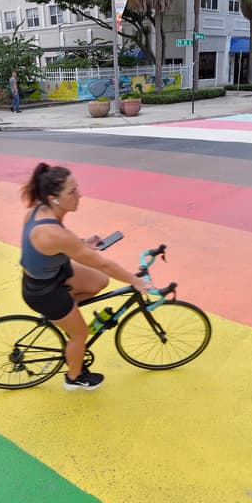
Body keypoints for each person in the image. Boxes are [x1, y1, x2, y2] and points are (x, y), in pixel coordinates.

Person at [20, 162, 155, 390]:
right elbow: (102, 263)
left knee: (98, 281)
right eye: (72, 192)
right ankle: (74, 378)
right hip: (44, 292)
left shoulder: (40, 211)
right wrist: (136, 280)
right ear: (55, 198)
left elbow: (55, 244)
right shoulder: (52, 231)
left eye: (77, 188)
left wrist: (82, 242)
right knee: (80, 334)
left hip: (54, 274)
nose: (79, 195)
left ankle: (64, 316)